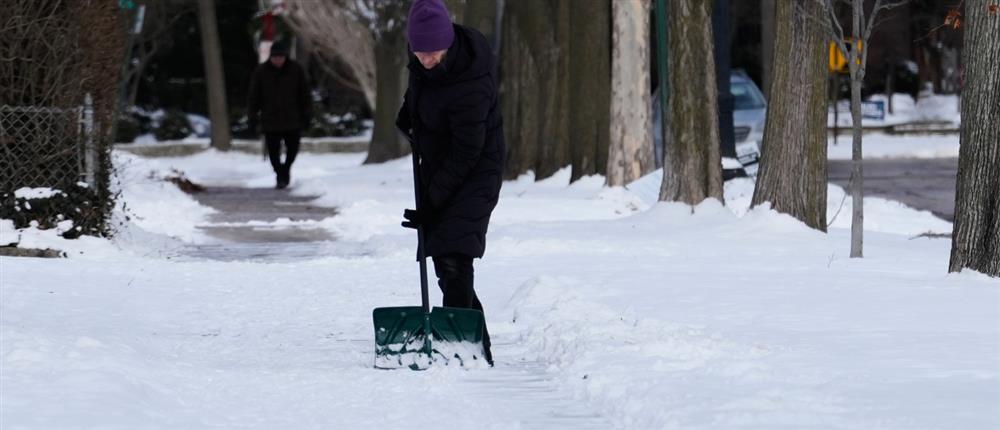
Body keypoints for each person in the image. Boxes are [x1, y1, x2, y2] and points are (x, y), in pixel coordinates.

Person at [397, 0, 505, 366]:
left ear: (448, 43)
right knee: (445, 263)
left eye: (434, 53)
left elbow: (467, 152)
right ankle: (476, 344)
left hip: (476, 172)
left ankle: (463, 349)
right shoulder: (421, 59)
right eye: (420, 52)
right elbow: (419, 92)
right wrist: (407, 114)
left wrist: (432, 203)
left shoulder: (471, 81)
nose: (426, 60)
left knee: (456, 258)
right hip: (441, 167)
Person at [247, 39, 311, 189]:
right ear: (271, 57)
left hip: (292, 118)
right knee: (273, 152)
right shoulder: (261, 71)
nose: (278, 60)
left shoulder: (296, 70)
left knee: (293, 148)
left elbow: (305, 93)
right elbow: (254, 96)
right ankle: (279, 173)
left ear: (285, 56)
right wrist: (252, 116)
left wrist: (306, 113)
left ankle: (286, 169)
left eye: (281, 57)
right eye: (275, 57)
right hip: (270, 119)